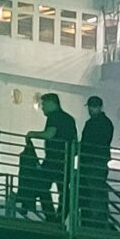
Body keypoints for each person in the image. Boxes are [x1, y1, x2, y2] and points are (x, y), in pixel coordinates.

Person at [37, 92, 78, 221]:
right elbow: (75, 142)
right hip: (67, 159)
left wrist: (32, 134)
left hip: (53, 159)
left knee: (41, 185)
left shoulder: (54, 117)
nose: (42, 107)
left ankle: (50, 215)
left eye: (44, 104)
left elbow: (49, 134)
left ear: (51, 103)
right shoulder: (69, 119)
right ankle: (61, 217)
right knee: (64, 191)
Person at [78, 95, 115, 229]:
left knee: (93, 190)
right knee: (97, 189)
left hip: (91, 161)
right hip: (99, 161)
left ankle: (94, 218)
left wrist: (79, 149)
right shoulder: (107, 123)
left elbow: (88, 142)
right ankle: (99, 218)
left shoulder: (92, 123)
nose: (90, 110)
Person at [14, 137, 49, 218]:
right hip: (30, 182)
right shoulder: (32, 160)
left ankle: (50, 216)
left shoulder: (26, 159)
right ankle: (50, 216)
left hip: (26, 182)